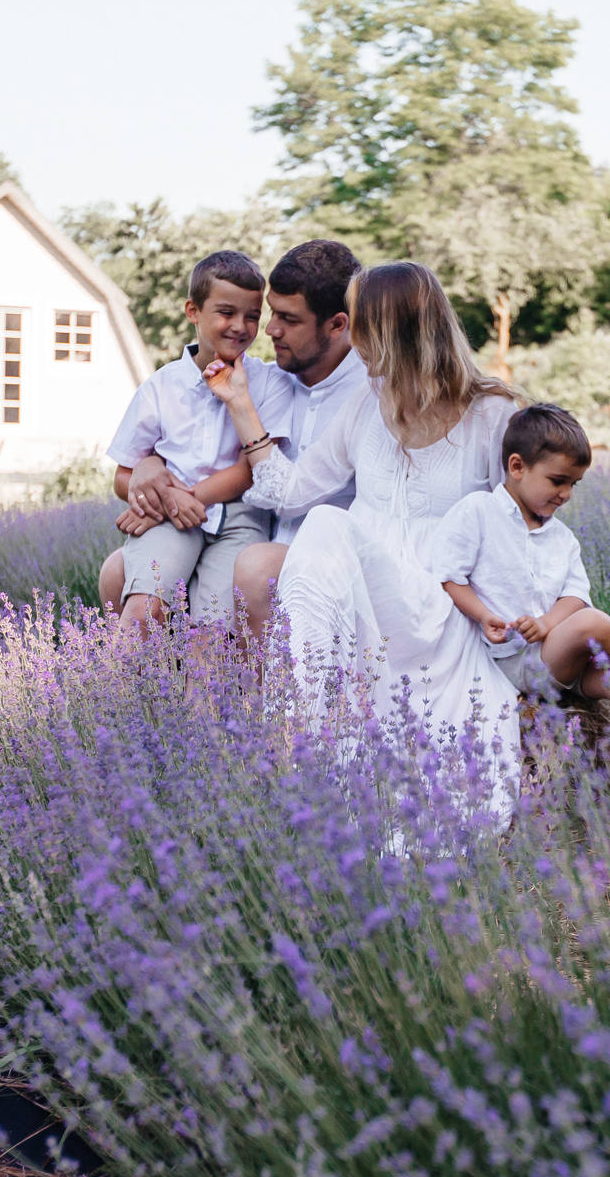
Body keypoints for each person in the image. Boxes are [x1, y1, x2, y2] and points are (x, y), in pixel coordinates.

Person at [210, 261, 523, 817]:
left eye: (359, 324)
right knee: (328, 523)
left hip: (444, 604)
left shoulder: (493, 413)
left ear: (390, 331)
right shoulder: (367, 403)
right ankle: (300, 731)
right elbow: (291, 491)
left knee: (331, 526)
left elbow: (520, 528)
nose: (352, 338)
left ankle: (295, 728)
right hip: (369, 600)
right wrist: (240, 404)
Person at [430, 403, 610, 805]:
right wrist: (484, 616)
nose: (567, 494)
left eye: (575, 484)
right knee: (591, 623)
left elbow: (574, 594)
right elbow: (449, 576)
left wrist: (549, 622)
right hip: (517, 665)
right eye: (558, 480)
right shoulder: (478, 513)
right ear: (517, 467)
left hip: (564, 662)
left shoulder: (562, 538)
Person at [98, 240, 366, 614]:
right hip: (193, 525)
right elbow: (135, 465)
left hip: (264, 536)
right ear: (193, 311)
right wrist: (149, 469)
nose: (263, 330)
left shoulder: (348, 394)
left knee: (229, 606)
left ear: (337, 324)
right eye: (270, 315)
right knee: (125, 584)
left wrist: (182, 497)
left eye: (282, 319)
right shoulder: (172, 386)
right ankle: (126, 673)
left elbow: (260, 477)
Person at [103, 251, 297, 628]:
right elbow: (123, 477)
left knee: (214, 632)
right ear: (193, 311)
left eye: (252, 316)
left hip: (238, 518)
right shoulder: (160, 387)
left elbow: (250, 470)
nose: (240, 326)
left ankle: (205, 687)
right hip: (168, 519)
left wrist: (183, 499)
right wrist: (162, 496)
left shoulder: (270, 383)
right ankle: (115, 687)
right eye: (226, 313)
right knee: (143, 612)